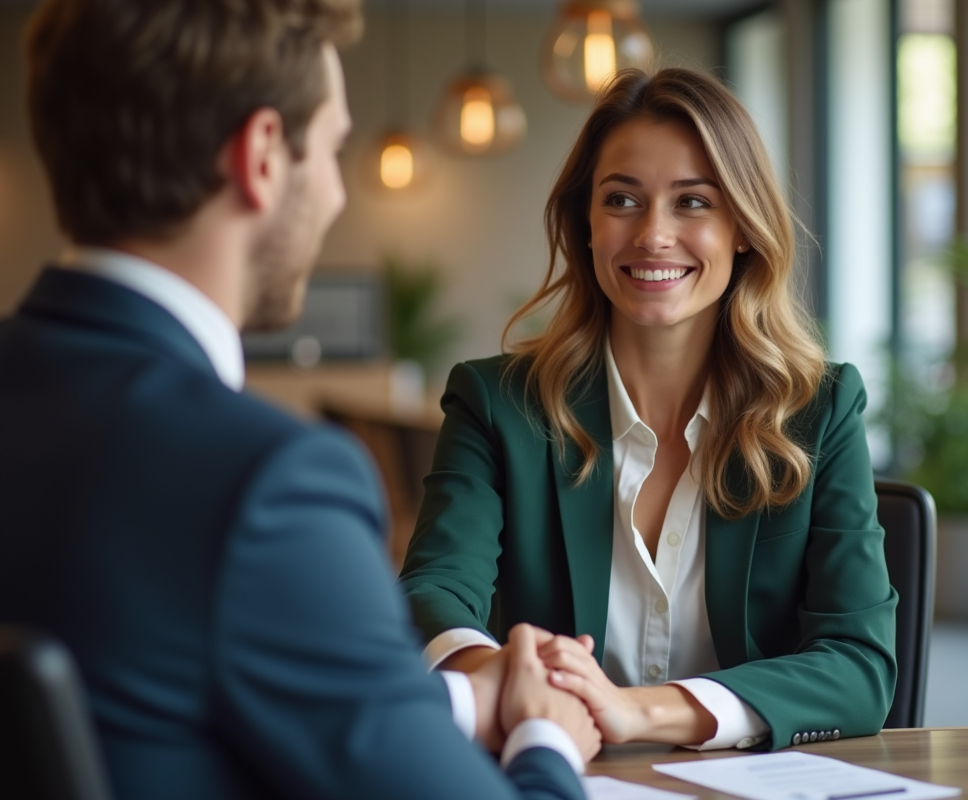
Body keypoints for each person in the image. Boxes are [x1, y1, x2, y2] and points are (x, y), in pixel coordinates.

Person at [0, 1, 599, 798]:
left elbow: (154, 690)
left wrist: (454, 704)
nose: (337, 194)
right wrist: (547, 737)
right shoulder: (265, 484)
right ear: (261, 156)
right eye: (331, 150)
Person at [400, 67, 899, 752]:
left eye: (692, 202)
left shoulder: (817, 410)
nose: (653, 234)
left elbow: (859, 664)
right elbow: (433, 594)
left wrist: (637, 711)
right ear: (586, 224)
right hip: (556, 771)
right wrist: (511, 680)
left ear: (743, 226)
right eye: (621, 200)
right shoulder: (497, 404)